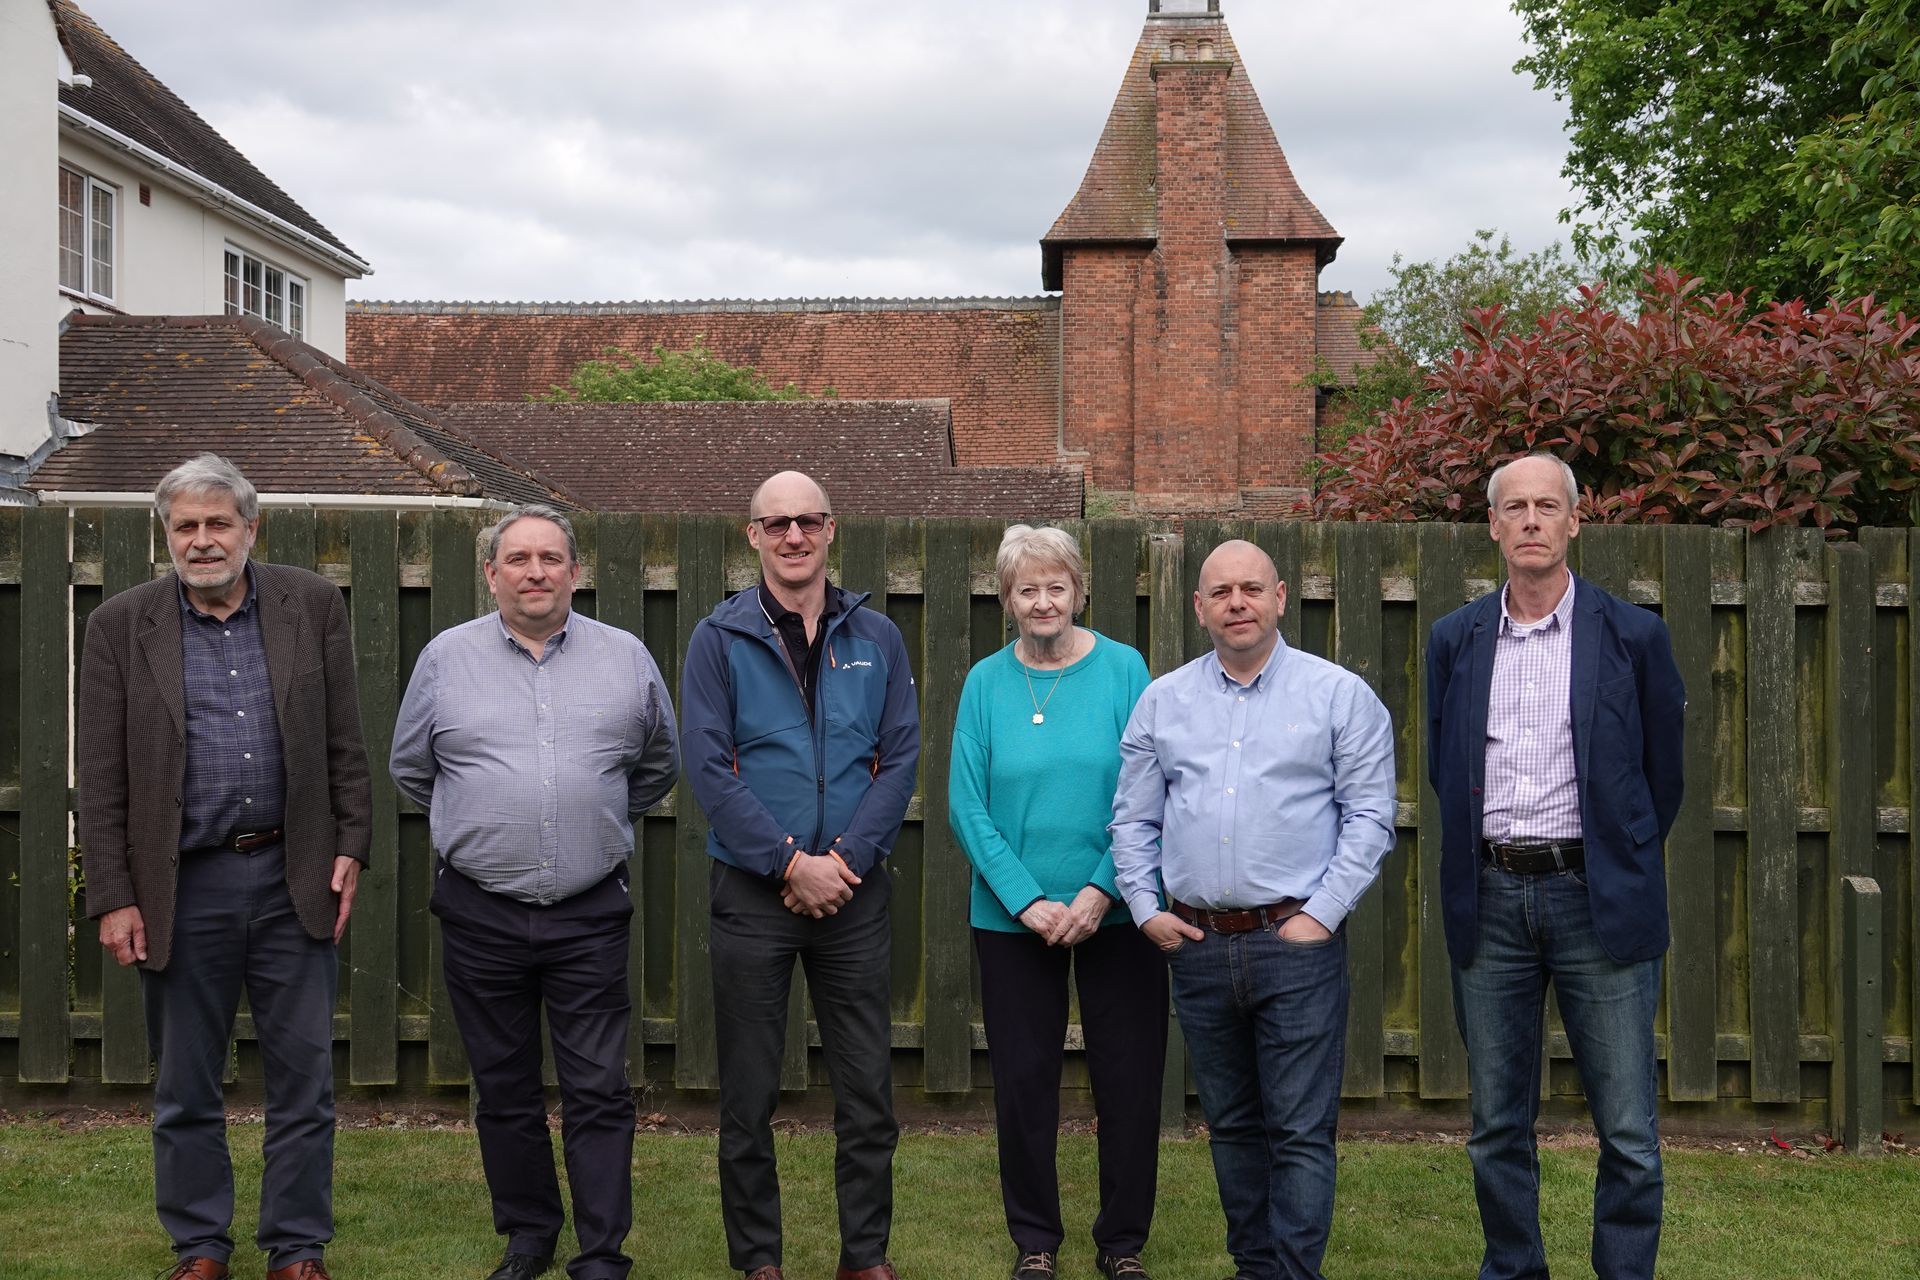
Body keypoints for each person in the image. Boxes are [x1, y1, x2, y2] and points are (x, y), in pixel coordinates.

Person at [78, 454, 372, 1280]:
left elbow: (345, 743)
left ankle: (297, 1248)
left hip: (293, 874)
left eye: (217, 523)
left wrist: (351, 845)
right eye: (185, 526)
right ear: (165, 535)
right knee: (185, 1084)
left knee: (305, 1081)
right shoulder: (120, 626)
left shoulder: (311, 605)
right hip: (181, 884)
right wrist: (113, 895)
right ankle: (200, 1246)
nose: (202, 540)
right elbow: (99, 776)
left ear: (251, 527)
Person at [390, 504, 679, 1280]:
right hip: (480, 909)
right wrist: (482, 822)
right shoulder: (445, 660)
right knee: (504, 1087)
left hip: (590, 911)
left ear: (575, 572)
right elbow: (412, 769)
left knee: (599, 1088)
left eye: (551, 558)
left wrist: (591, 819)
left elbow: (658, 766)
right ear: (491, 575)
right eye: (517, 559)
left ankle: (602, 1252)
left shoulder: (625, 658)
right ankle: (528, 1236)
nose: (535, 572)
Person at [1426, 453, 1685, 1280]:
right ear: (1493, 525)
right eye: (1515, 508)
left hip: (1596, 898)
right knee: (1496, 1127)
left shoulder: (1634, 636)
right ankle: (1514, 1269)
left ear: (1575, 519)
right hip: (1491, 899)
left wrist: (1611, 854)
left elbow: (1662, 778)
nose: (1531, 520)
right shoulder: (1455, 638)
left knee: (1629, 1132)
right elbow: (1444, 766)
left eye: (1547, 506)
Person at [1110, 539, 1396, 1280]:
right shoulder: (1163, 701)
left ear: (1279, 597)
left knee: (1299, 1130)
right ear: (1198, 607)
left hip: (1294, 943)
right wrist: (1143, 906)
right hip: (1197, 944)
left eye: (1251, 588)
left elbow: (1370, 816)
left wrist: (1322, 914)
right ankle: (1254, 1268)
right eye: (1220, 592)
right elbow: (1133, 819)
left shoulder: (1338, 696)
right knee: (1233, 1127)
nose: (1236, 603)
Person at [680, 471, 920, 1280]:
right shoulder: (717, 639)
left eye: (808, 521)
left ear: (830, 529)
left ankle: (865, 1258)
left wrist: (842, 863)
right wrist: (787, 862)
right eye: (776, 523)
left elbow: (900, 759)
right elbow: (709, 768)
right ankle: (759, 1261)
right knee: (748, 1097)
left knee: (868, 1093)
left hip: (854, 894)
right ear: (752, 535)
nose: (793, 536)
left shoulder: (877, 637)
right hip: (753, 893)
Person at [948, 524, 1164, 1280]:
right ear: (1007, 600)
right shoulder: (984, 683)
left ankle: (1123, 1244)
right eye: (1027, 590)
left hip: (1119, 909)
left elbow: (1148, 788)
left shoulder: (1125, 669)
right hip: (1012, 920)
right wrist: (1027, 901)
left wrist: (1102, 889)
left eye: (1056, 587)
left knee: (1129, 1081)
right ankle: (1035, 1241)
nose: (1043, 601)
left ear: (1079, 590)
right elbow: (966, 805)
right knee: (1023, 1082)